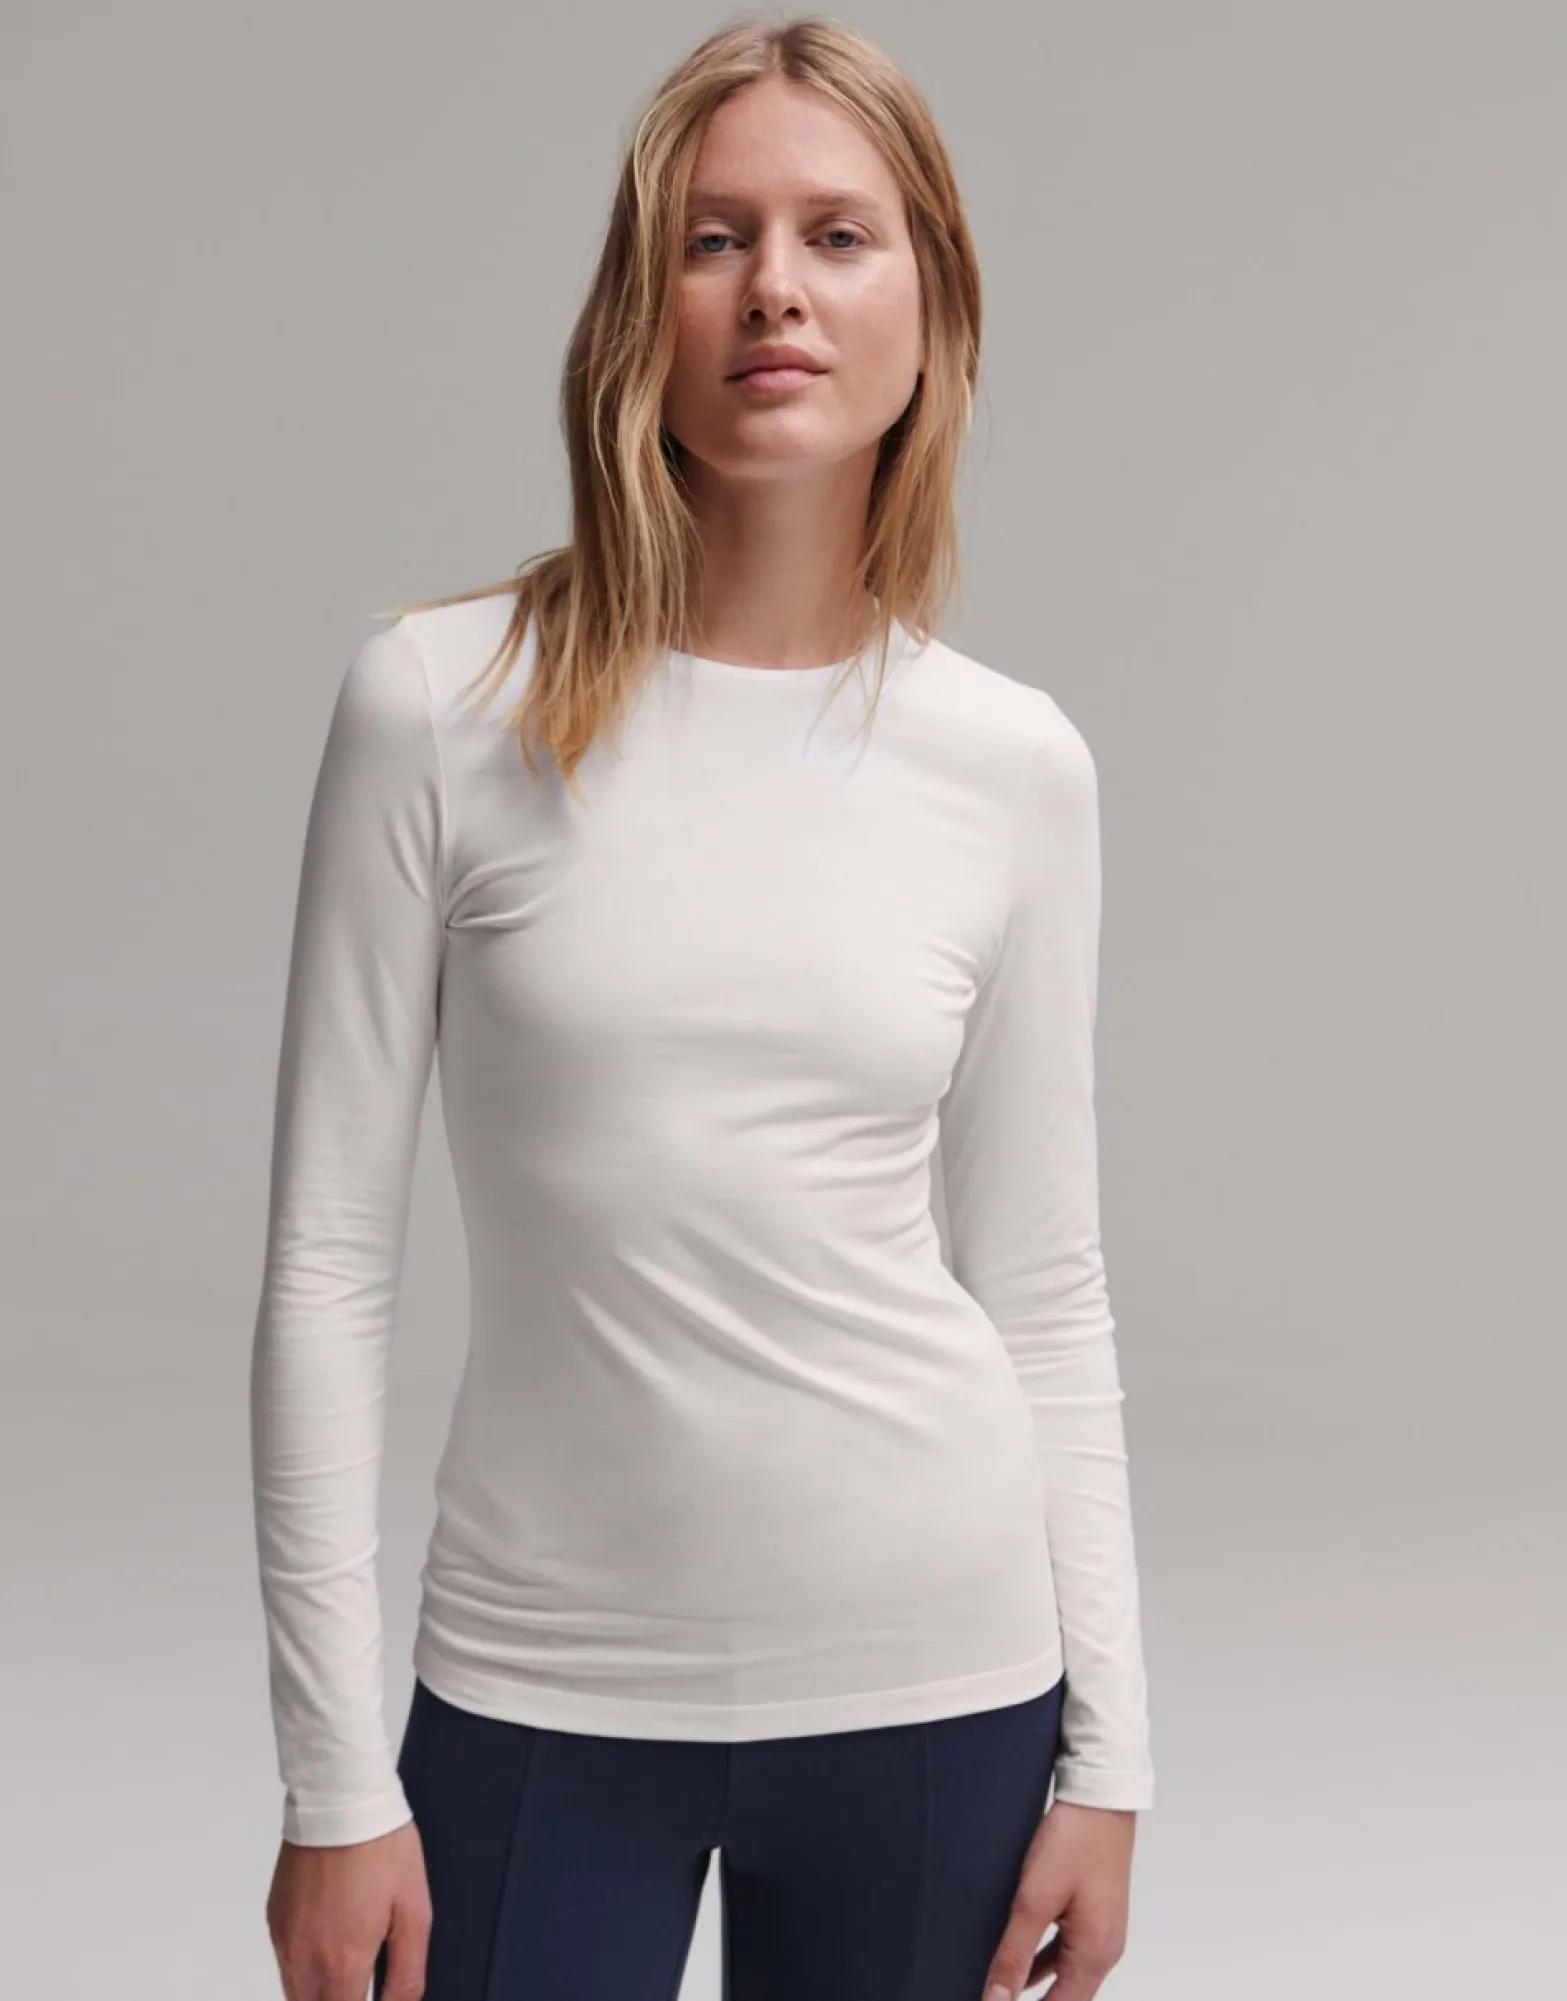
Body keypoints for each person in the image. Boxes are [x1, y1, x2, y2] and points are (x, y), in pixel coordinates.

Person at [250, 16, 1154, 2001]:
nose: (774, 292)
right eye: (712, 236)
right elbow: (326, 1262)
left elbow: (1043, 1280)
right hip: (537, 1682)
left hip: (938, 1682)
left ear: (933, 306)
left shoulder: (1011, 764)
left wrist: (1112, 1756)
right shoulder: (440, 708)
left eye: (839, 235)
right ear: (634, 310)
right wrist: (330, 1776)